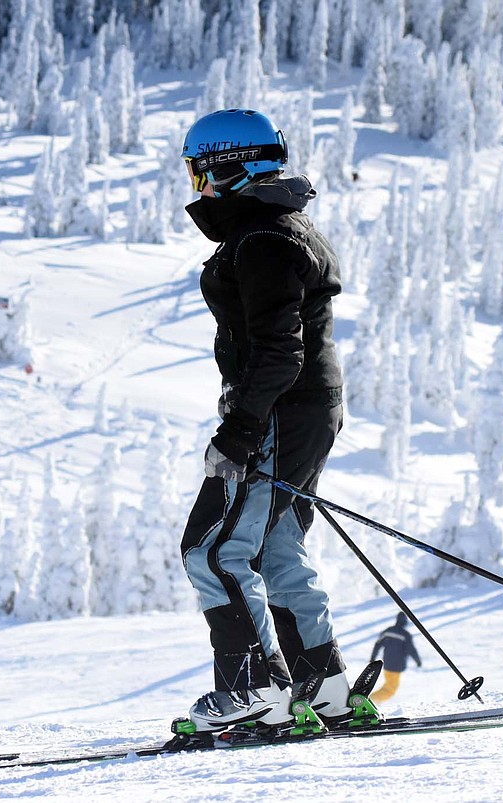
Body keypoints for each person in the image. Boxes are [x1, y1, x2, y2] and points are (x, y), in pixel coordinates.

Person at [178, 108, 356, 732]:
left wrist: (241, 429)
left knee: (214, 548)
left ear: (233, 169)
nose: (197, 189)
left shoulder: (265, 240)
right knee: (275, 544)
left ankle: (255, 689)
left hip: (277, 412)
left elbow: (280, 350)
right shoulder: (275, 230)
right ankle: (321, 683)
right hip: (304, 410)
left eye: (202, 175)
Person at [369, 612, 422, 703]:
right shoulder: (405, 635)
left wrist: (373, 658)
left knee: (387, 687)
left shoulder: (388, 631)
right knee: (390, 690)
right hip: (396, 666)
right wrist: (418, 661)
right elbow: (411, 650)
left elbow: (377, 644)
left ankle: (373, 701)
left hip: (387, 664)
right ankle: (371, 700)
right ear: (405, 622)